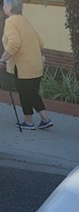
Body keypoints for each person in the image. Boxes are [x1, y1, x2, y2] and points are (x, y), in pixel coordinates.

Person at [0, 0, 53, 131]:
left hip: (22, 67)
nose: (3, 7)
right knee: (32, 93)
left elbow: (14, 43)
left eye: (4, 5)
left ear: (9, 7)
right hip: (35, 65)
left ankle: (28, 122)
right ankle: (45, 120)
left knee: (24, 94)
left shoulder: (10, 22)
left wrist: (3, 59)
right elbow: (40, 42)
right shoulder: (25, 20)